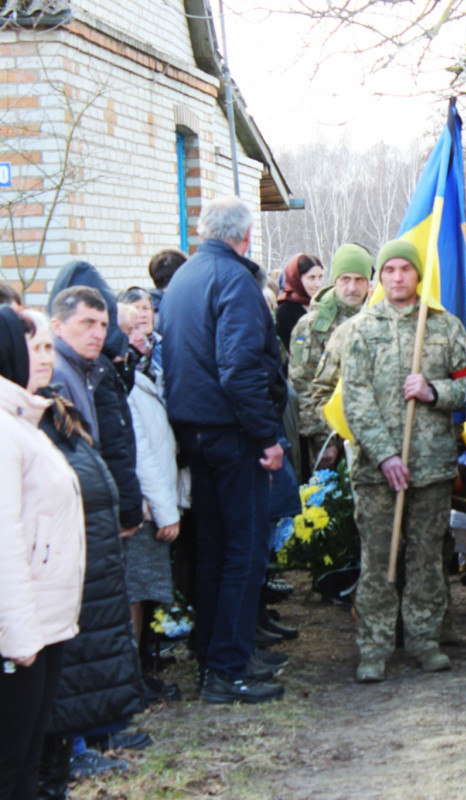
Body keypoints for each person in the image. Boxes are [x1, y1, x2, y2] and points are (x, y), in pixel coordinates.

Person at [160, 196, 288, 704]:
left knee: (213, 551)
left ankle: (213, 657)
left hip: (193, 432)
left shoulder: (184, 279)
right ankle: (228, 669)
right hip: (232, 435)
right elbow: (239, 368)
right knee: (243, 552)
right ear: (247, 235)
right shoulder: (234, 280)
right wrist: (266, 438)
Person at [339, 238, 466, 681]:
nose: (398, 278)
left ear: (419, 276)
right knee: (378, 559)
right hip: (378, 471)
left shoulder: (443, 326)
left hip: (431, 464)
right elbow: (355, 399)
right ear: (381, 277)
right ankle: (374, 645)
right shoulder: (362, 328)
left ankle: (424, 639)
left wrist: (434, 392)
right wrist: (384, 455)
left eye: (406, 270)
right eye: (390, 270)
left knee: (426, 557)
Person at [29, 308, 144, 793]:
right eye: (34, 349)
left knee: (77, 665)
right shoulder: (29, 416)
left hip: (86, 554)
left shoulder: (51, 403)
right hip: (53, 562)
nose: (43, 359)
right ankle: (64, 754)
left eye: (44, 352)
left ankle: (68, 754)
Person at [0, 307, 85, 800]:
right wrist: (18, 635)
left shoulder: (22, 420)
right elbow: (5, 540)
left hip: (43, 624)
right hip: (21, 634)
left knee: (26, 764)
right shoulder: (8, 431)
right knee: (12, 766)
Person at [47, 269, 144, 538]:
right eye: (87, 323)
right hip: (78, 517)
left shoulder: (90, 368)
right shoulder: (58, 375)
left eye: (103, 324)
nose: (98, 333)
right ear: (57, 326)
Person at [115, 306, 180, 668]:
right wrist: (166, 508)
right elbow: (140, 453)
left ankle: (139, 668)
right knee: (134, 595)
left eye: (141, 327)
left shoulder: (139, 374)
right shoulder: (123, 385)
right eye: (129, 330)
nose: (139, 336)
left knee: (141, 592)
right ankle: (132, 675)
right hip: (140, 505)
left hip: (150, 502)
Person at [290, 243, 373, 474]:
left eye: (359, 280)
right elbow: (303, 386)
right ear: (335, 281)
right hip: (327, 441)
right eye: (345, 279)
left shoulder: (379, 320)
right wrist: (322, 440)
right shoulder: (312, 326)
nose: (352, 287)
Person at [275, 253, 325, 361]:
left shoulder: (323, 305)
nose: (318, 284)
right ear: (296, 279)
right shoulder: (285, 311)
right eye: (311, 278)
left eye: (320, 277)